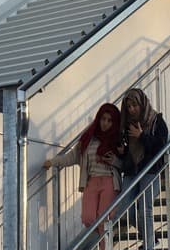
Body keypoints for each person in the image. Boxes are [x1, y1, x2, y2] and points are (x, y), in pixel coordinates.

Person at [44, 103, 124, 242]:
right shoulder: (88, 138)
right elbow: (72, 157)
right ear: (98, 119)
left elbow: (126, 165)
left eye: (110, 120)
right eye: (103, 119)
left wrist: (115, 161)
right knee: (88, 218)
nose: (105, 123)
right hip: (91, 181)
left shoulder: (118, 140)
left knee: (104, 219)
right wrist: (53, 162)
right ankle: (106, 239)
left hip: (109, 181)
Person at [119, 88, 169, 250]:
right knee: (127, 208)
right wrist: (121, 151)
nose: (131, 109)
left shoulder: (156, 121)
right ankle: (151, 237)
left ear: (142, 104)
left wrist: (142, 136)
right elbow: (128, 150)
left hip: (150, 170)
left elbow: (161, 147)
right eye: (128, 106)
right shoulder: (127, 124)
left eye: (134, 105)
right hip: (132, 171)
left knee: (144, 210)